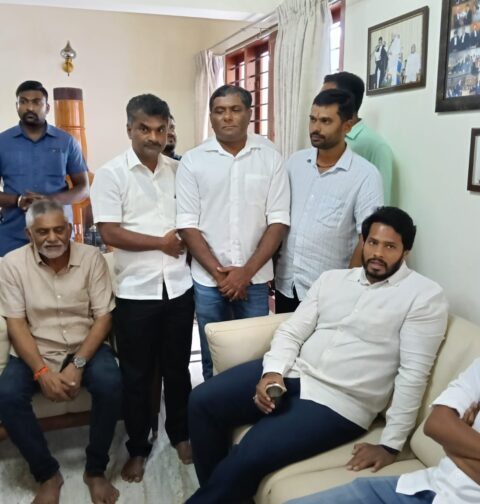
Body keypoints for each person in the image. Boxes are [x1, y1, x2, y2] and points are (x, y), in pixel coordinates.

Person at [186, 206, 448, 504]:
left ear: (406, 251)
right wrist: (273, 372)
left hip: (340, 401)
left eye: (390, 246)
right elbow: (291, 331)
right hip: (296, 372)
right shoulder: (332, 280)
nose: (378, 253)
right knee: (202, 400)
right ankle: (218, 494)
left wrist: (391, 445)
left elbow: (413, 374)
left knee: (251, 451)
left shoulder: (424, 297)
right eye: (373, 242)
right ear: (362, 242)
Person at [91, 94, 194, 483]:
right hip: (135, 293)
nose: (153, 137)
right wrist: (160, 244)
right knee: (136, 376)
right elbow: (109, 232)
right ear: (129, 129)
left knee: (178, 369)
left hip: (179, 288)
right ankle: (138, 446)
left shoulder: (180, 171)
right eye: (144, 129)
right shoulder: (112, 174)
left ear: (168, 129)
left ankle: (180, 433)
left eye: (160, 129)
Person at [0, 200, 121, 504]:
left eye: (58, 230)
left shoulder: (92, 257)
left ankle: (95, 470)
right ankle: (47, 474)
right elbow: (16, 324)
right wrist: (41, 371)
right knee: (7, 395)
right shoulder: (11, 264)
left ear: (69, 228)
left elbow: (103, 317)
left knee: (111, 384)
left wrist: (78, 363)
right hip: (36, 348)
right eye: (43, 232)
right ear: (29, 234)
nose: (52, 238)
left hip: (85, 344)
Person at [176, 84, 290, 380]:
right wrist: (221, 275)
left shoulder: (270, 158)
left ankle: (248, 409)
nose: (227, 117)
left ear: (249, 114)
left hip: (255, 280)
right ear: (211, 117)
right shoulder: (193, 161)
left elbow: (278, 222)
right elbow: (187, 225)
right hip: (208, 281)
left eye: (235, 110)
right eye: (219, 111)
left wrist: (245, 273)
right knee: (212, 360)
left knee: (253, 358)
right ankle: (213, 408)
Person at [286, 358, 480, 504]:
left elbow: (446, 431)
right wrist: (458, 448)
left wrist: (456, 447)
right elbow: (437, 424)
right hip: (424, 487)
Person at [274, 88, 383, 313]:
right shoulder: (295, 163)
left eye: (325, 121)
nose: (315, 128)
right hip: (287, 284)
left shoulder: (365, 175)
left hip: (329, 293)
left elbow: (367, 237)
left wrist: (347, 289)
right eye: (313, 119)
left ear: (347, 126)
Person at [0, 80, 89, 257]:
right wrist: (18, 200)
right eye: (23, 102)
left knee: (61, 276)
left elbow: (83, 188)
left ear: (47, 108)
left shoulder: (66, 142)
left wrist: (50, 200)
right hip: (13, 236)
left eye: (36, 102)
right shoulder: (2, 142)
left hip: (56, 235)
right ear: (17, 106)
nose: (29, 107)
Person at [322, 71, 394, 203]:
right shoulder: (324, 138)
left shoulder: (376, 146)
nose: (320, 102)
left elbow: (382, 203)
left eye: (327, 97)